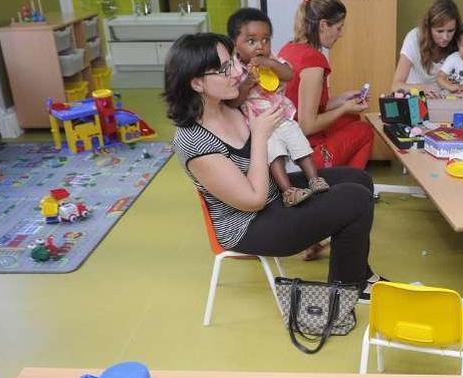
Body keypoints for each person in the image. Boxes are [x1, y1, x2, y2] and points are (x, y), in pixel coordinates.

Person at [164, 32, 383, 299]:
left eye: (233, 59)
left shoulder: (229, 106)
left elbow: (293, 113)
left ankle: (353, 273)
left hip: (273, 196)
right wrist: (259, 135)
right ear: (197, 83)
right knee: (356, 199)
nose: (237, 71)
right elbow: (254, 199)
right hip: (250, 225)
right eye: (224, 68)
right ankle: (351, 285)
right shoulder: (193, 141)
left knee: (359, 180)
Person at [226, 8, 329, 208]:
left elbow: (289, 74)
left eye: (266, 40)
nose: (260, 46)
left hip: (283, 117)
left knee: (301, 146)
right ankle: (288, 191)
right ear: (235, 44)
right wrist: (247, 83)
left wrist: (270, 63)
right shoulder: (234, 69)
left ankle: (314, 178)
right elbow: (233, 102)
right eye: (251, 41)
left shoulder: (271, 58)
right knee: (275, 156)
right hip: (261, 126)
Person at [278, 0, 373, 170]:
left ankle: (340, 177)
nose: (340, 34)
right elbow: (307, 126)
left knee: (351, 118)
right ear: (323, 25)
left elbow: (306, 106)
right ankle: (349, 182)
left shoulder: (289, 48)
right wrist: (344, 108)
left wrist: (343, 100)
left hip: (287, 142)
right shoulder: (313, 61)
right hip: (305, 155)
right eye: (338, 28)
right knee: (364, 130)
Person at [392, 0, 461, 95]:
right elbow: (395, 86)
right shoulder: (414, 38)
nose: (446, 37)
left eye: (450, 31)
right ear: (428, 28)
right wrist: (423, 88)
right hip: (413, 98)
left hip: (444, 101)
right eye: (440, 31)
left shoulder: (460, 41)